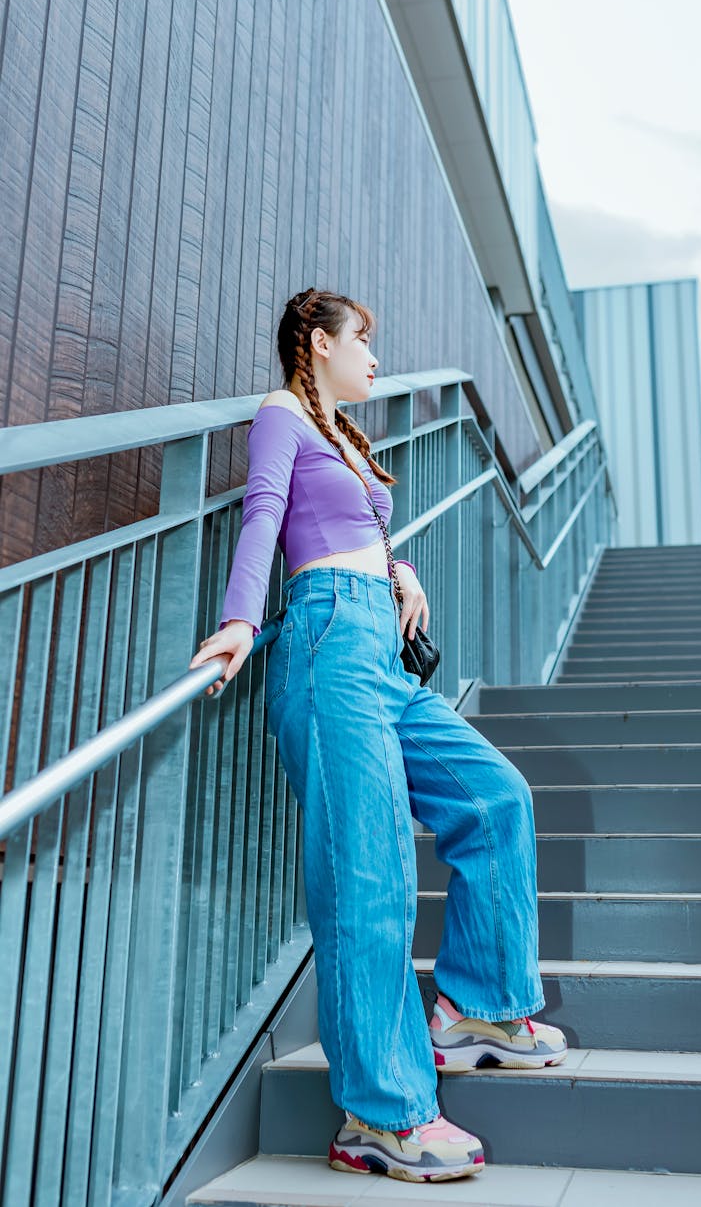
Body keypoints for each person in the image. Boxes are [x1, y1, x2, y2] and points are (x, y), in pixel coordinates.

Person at [189, 288, 566, 1184]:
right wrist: (243, 617)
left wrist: (395, 568)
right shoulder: (281, 413)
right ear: (317, 344)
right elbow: (266, 516)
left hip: (377, 652)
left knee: (496, 796)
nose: (374, 358)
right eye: (364, 340)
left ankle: (478, 1007)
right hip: (324, 649)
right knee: (373, 870)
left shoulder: (345, 435)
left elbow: (347, 528)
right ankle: (381, 1113)